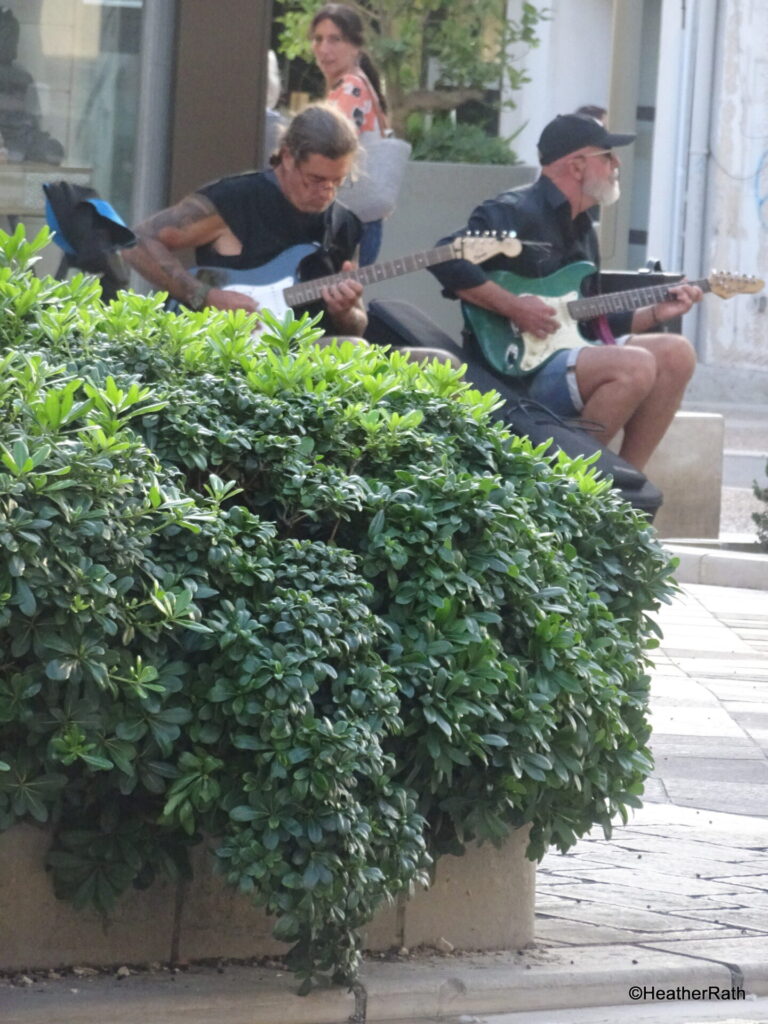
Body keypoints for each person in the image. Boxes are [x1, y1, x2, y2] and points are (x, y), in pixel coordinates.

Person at [428, 113, 702, 471]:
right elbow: (443, 258)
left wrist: (654, 313)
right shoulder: (512, 210)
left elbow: (586, 317)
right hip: (515, 369)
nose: (616, 164)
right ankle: (570, 486)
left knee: (676, 353)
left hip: (568, 353)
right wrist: (513, 307)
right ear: (576, 166)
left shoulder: (583, 228)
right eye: (607, 155)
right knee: (635, 365)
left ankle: (628, 488)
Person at [124, 102, 367, 338]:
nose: (327, 191)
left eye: (337, 181)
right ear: (288, 158)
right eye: (315, 179)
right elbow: (135, 243)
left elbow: (356, 326)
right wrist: (206, 296)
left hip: (305, 359)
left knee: (367, 349)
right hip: (232, 349)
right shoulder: (237, 200)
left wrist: (345, 312)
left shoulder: (344, 224)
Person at [310, 3, 390, 266]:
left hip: (347, 225)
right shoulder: (357, 83)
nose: (324, 49)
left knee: (334, 303)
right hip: (360, 222)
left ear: (356, 46)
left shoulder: (351, 88)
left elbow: (325, 150)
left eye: (335, 40)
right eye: (318, 39)